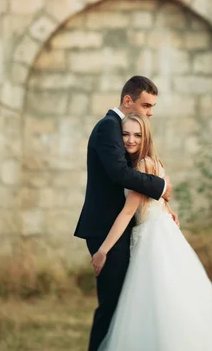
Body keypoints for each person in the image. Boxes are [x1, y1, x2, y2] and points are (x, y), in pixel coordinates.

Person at [91, 113, 212, 351]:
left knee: (155, 299)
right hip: (160, 230)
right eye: (125, 134)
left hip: (151, 238)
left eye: (137, 135)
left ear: (146, 137)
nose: (130, 140)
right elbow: (157, 198)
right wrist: (168, 207)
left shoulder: (142, 166)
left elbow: (126, 213)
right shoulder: (153, 162)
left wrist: (103, 250)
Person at [74, 76, 176, 351]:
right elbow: (120, 174)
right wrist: (162, 186)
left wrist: (162, 206)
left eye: (152, 106)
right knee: (111, 305)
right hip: (107, 229)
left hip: (121, 229)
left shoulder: (119, 129)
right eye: (146, 105)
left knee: (123, 305)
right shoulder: (109, 127)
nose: (149, 112)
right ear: (128, 100)